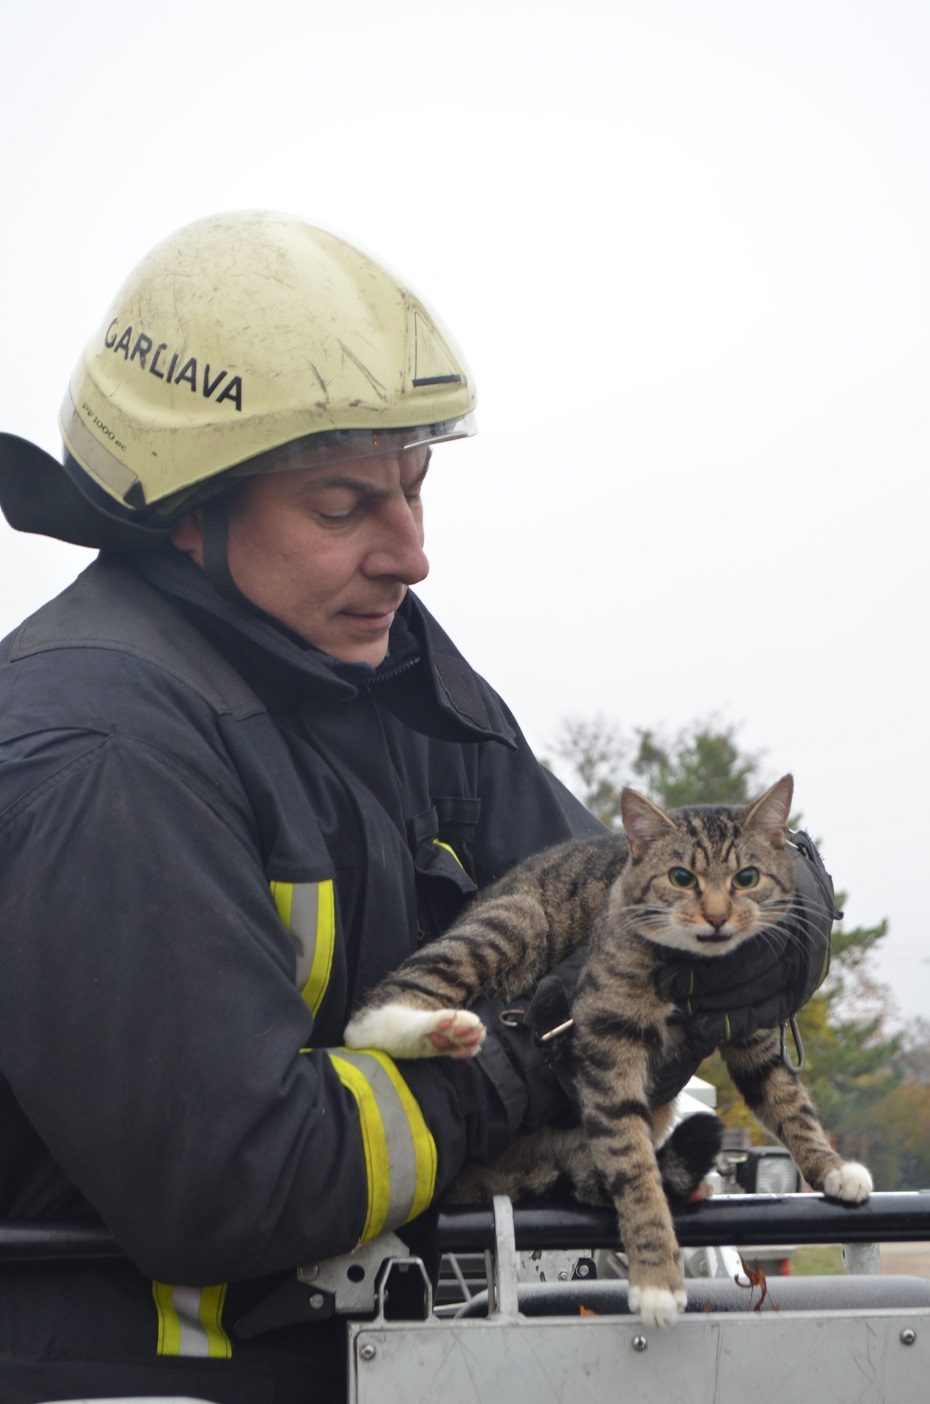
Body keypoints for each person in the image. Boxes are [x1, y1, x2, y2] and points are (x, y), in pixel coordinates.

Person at [0, 211, 834, 1404]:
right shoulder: (96, 752)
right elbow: (236, 1179)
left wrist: (788, 913)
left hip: (393, 1354)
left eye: (416, 489)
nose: (411, 554)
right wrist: (529, 1059)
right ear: (186, 518)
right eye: (345, 507)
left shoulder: (377, 670)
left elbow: (599, 892)